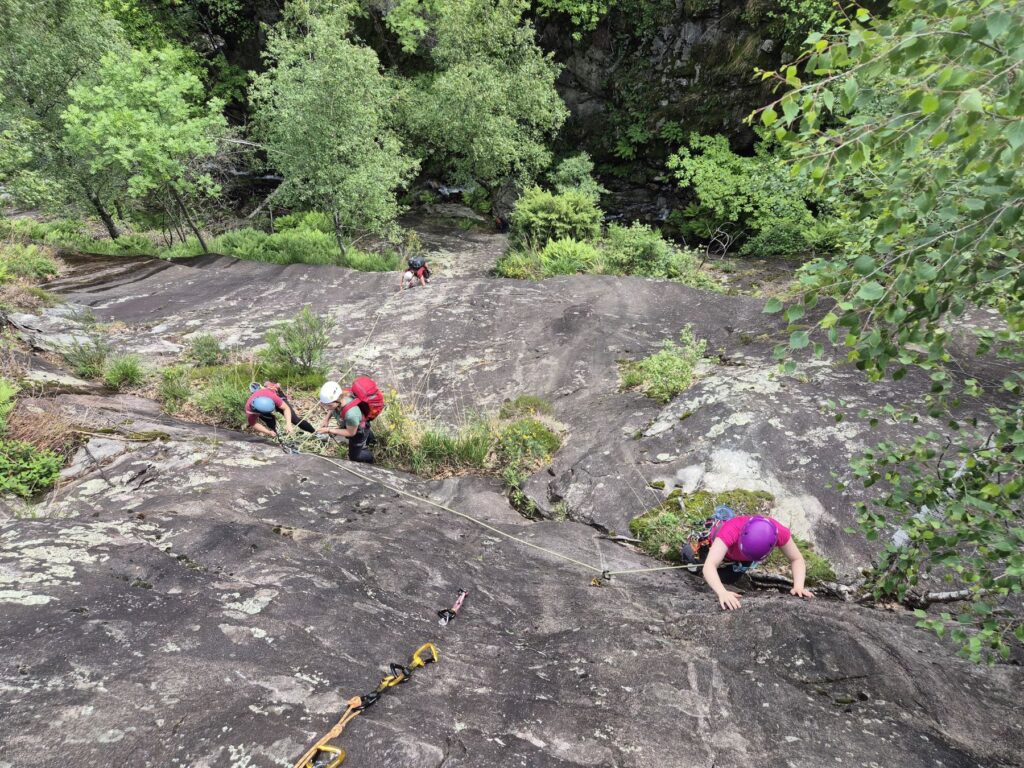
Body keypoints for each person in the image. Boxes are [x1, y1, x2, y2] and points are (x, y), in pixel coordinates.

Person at [691, 514, 815, 611]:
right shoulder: (731, 529)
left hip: (740, 561)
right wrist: (722, 592)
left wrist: (799, 586)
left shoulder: (779, 532)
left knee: (729, 578)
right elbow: (709, 565)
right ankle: (688, 553)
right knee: (697, 565)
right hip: (714, 547)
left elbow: (796, 559)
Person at [316, 381, 376, 463]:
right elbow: (332, 408)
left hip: (358, 431)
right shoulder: (341, 398)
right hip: (354, 423)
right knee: (366, 437)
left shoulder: (351, 414)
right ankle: (370, 440)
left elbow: (351, 433)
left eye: (328, 405)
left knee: (354, 456)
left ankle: (370, 457)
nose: (326, 408)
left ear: (338, 400)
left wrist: (329, 430)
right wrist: (326, 419)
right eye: (324, 404)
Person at [245, 381, 315, 439]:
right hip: (262, 408)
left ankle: (314, 432)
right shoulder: (250, 409)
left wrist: (288, 425)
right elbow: (253, 423)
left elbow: (286, 408)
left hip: (276, 395)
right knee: (270, 420)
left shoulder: (273, 396)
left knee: (294, 419)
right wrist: (268, 432)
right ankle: (276, 435)